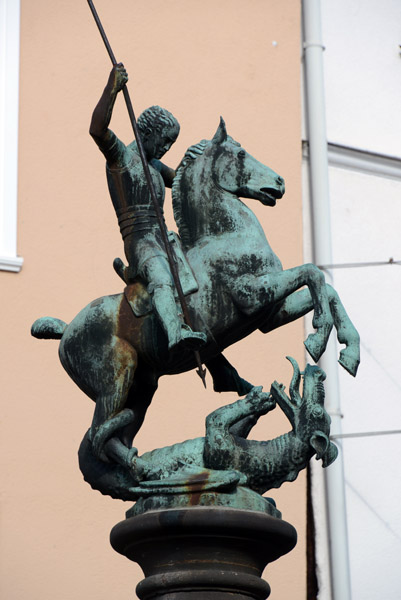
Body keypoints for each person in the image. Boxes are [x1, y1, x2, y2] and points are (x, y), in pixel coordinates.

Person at [90, 64, 206, 352]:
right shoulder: (122, 158)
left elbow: (181, 180)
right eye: (165, 139)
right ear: (149, 132)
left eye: (173, 142)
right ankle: (176, 333)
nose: (168, 145)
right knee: (162, 278)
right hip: (140, 242)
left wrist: (200, 158)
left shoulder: (154, 166)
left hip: (163, 240)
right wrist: (111, 88)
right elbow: (97, 129)